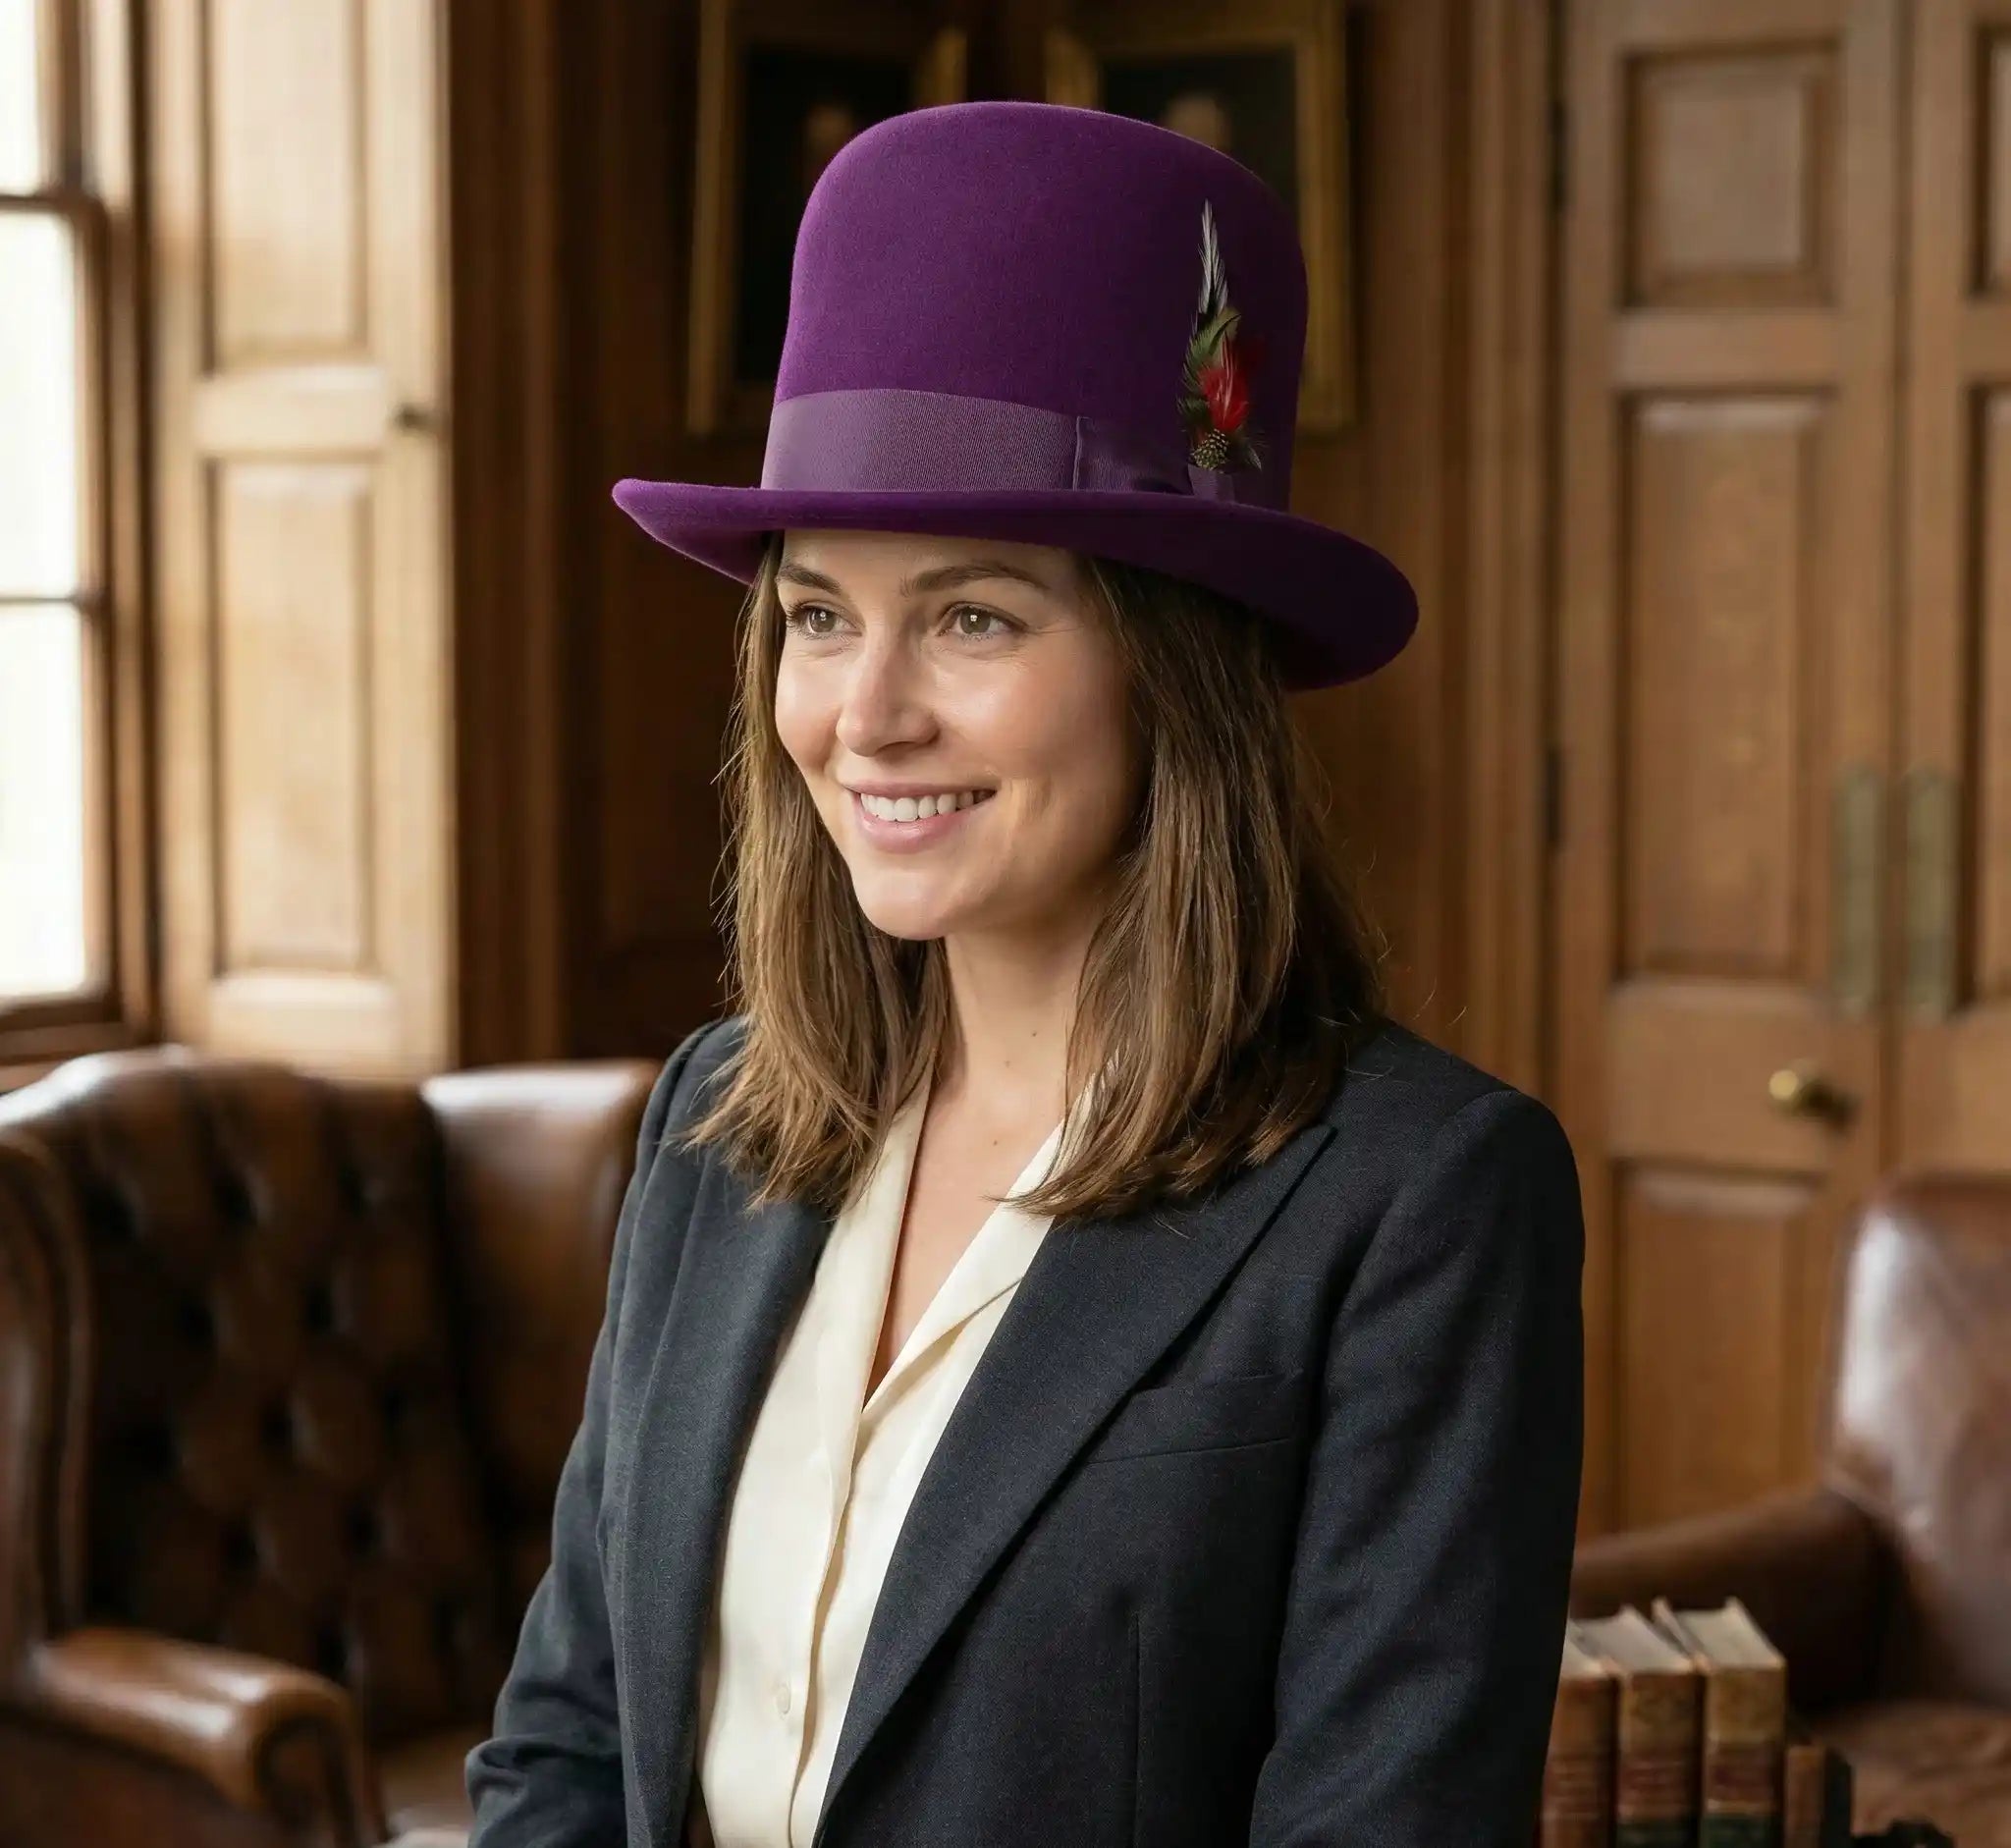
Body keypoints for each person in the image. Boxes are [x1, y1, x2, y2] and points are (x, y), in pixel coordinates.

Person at [465, 99, 1584, 1848]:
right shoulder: (709, 1118)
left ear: (1173, 668)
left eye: (972, 615)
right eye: (819, 615)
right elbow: (567, 1747)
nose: (867, 714)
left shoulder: (1420, 1203)